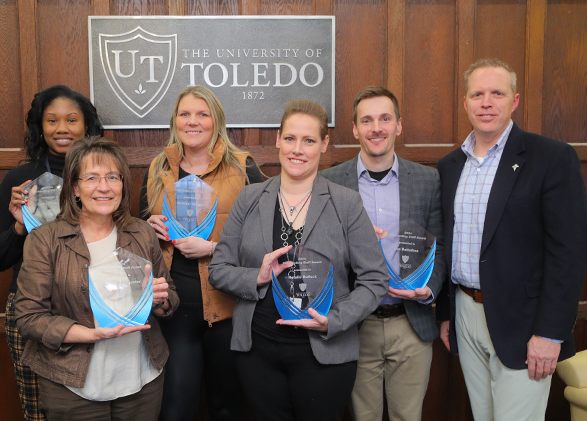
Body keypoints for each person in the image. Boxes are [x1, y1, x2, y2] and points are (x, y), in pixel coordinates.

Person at [208, 99, 389, 421]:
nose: (297, 149)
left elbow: (375, 280)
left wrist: (333, 320)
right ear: (278, 139)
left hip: (324, 351)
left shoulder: (346, 203)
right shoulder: (250, 199)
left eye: (309, 140)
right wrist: (257, 276)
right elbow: (218, 270)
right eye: (290, 138)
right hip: (258, 352)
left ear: (324, 145)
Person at [436, 58, 587, 420]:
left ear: (514, 101)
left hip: (525, 324)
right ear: (466, 103)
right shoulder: (449, 166)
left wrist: (551, 334)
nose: (486, 103)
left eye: (497, 93)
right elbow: (446, 242)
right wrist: (445, 314)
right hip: (464, 313)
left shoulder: (551, 158)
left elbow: (569, 253)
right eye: (477, 94)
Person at [14, 136, 179, 420]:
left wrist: (159, 300)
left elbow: (170, 299)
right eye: (92, 178)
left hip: (141, 380)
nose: (104, 187)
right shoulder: (46, 239)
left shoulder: (140, 233)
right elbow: (29, 317)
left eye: (112, 177)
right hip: (73, 385)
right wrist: (91, 335)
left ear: (122, 184)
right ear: (75, 188)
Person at [320, 86, 446, 421]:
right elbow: (321, 250)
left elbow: (440, 245)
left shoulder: (427, 180)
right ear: (355, 128)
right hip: (355, 326)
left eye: (385, 118)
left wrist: (429, 289)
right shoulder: (330, 182)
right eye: (368, 120)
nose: (376, 127)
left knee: (408, 416)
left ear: (398, 125)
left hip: (410, 322)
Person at [139, 85, 264, 421]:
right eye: (185, 114)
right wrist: (146, 226)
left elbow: (264, 237)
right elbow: (135, 236)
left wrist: (213, 247)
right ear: (175, 121)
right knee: (176, 409)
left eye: (202, 114)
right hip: (174, 308)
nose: (192, 121)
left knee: (227, 407)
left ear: (216, 121)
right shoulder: (158, 168)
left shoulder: (242, 168)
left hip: (227, 308)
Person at [0, 85, 103, 421]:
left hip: (89, 308)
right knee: (38, 410)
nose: (62, 129)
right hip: (30, 308)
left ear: (87, 127)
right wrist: (20, 226)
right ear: (40, 126)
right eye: (52, 120)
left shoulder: (102, 180)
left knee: (89, 407)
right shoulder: (21, 180)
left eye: (71, 120)